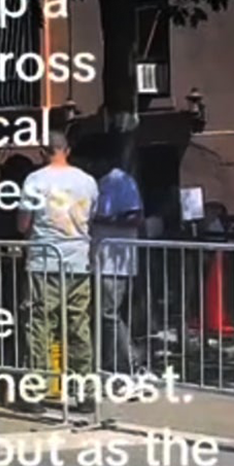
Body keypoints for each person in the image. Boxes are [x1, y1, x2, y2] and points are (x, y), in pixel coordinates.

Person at [18, 134, 98, 389]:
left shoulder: (35, 180)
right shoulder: (87, 181)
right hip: (78, 260)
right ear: (68, 150)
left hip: (45, 261)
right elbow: (90, 218)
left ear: (43, 152)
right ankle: (84, 390)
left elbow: (23, 224)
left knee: (40, 325)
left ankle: (38, 389)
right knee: (78, 326)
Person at [88, 135, 143, 373]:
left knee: (108, 313)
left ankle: (130, 361)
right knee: (101, 314)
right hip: (100, 258)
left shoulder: (121, 181)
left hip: (115, 260)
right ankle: (108, 361)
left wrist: (104, 219)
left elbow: (136, 216)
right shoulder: (98, 182)